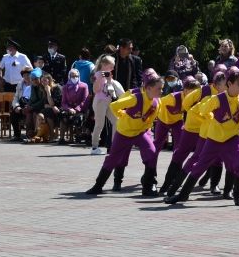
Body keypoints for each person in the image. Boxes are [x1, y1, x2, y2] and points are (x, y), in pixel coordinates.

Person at [164, 69, 239, 206]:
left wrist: (237, 121)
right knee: (199, 167)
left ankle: (237, 195)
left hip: (233, 139)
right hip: (214, 139)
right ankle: (182, 195)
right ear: (230, 83)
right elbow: (200, 111)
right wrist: (211, 118)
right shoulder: (216, 99)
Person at [86, 68, 166, 197]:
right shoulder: (135, 97)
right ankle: (98, 186)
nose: (161, 91)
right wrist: (122, 115)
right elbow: (113, 106)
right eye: (159, 89)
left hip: (141, 133)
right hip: (124, 133)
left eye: (162, 88)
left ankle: (148, 187)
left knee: (151, 154)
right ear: (148, 88)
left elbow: (153, 118)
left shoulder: (157, 102)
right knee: (113, 159)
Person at [90, 54, 122, 154]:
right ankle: (94, 147)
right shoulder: (98, 74)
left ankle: (114, 145)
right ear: (104, 64)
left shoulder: (107, 74)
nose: (113, 68)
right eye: (111, 66)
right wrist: (101, 79)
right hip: (100, 102)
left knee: (116, 121)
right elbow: (95, 90)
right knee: (100, 124)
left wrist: (109, 80)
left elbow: (110, 88)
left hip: (107, 101)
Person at [60, 68, 88, 143]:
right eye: (72, 76)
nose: (75, 77)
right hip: (69, 109)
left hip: (80, 109)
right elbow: (63, 102)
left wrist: (76, 109)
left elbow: (84, 100)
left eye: (76, 76)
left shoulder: (84, 86)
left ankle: (77, 137)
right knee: (63, 116)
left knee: (78, 118)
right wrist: (69, 109)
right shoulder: (65, 87)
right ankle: (62, 138)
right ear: (69, 76)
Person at [10, 66, 36, 141]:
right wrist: (16, 106)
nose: (26, 77)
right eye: (24, 75)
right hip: (21, 104)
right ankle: (17, 135)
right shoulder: (20, 84)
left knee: (30, 112)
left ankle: (30, 134)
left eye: (28, 75)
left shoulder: (35, 84)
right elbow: (16, 97)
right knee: (13, 112)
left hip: (31, 104)